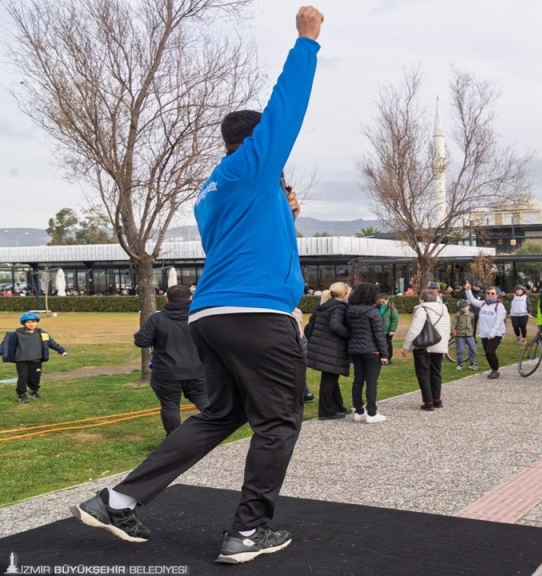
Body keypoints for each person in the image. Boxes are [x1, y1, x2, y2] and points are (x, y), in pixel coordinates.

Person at [70, 9, 324, 563]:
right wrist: (307, 42)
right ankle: (248, 532)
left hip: (212, 314)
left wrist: (285, 207)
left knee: (219, 414)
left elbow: (254, 242)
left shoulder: (216, 188)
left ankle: (116, 500)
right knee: (279, 420)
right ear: (258, 144)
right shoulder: (254, 166)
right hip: (256, 314)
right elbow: (288, 107)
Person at [133, 285, 210, 435]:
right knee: (203, 400)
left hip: (167, 372)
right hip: (195, 369)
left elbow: (141, 340)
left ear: (167, 299)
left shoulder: (157, 319)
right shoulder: (198, 317)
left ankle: (174, 438)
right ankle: (213, 430)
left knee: (170, 405)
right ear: (190, 298)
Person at [305, 282, 354, 420]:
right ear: (344, 294)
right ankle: (326, 411)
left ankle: (338, 406)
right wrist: (349, 334)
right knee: (329, 379)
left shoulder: (326, 305)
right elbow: (335, 325)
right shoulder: (338, 307)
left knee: (332, 377)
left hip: (324, 347)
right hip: (332, 348)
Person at [347, 282, 390, 421]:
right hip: (372, 350)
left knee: (358, 379)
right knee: (371, 382)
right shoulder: (373, 312)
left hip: (355, 349)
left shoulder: (350, 311)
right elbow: (379, 335)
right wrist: (384, 354)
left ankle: (359, 411)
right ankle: (371, 412)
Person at [2, 312, 68, 403]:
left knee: (35, 377)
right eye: (28, 322)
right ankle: (21, 394)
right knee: (23, 377)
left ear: (37, 322)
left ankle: (33, 392)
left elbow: (51, 343)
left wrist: (61, 350)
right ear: (24, 323)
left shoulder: (43, 334)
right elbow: (5, 346)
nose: (31, 324)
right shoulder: (16, 335)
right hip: (22, 361)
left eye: (33, 321)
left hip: (36, 360)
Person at [402, 288, 451, 409]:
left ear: (422, 299)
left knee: (423, 373)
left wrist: (406, 346)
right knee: (436, 371)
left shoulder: (422, 309)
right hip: (439, 343)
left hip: (424, 345)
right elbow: (446, 328)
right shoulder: (444, 310)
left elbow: (415, 329)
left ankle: (428, 401)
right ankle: (437, 399)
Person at [465, 282, 507, 379]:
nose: (490, 295)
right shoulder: (483, 304)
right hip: (484, 333)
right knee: (487, 353)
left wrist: (493, 333)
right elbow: (472, 300)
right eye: (488, 293)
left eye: (492, 293)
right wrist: (468, 290)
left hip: (496, 333)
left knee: (490, 351)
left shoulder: (499, 306)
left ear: (496, 295)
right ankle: (493, 368)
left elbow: (499, 321)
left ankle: (495, 370)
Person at [452, 300, 480, 371]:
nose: (464, 308)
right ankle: (459, 364)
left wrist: (471, 331)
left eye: (466, 307)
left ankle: (472, 363)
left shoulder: (471, 315)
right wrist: (453, 330)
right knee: (460, 350)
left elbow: (473, 324)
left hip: (469, 334)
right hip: (460, 335)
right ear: (460, 308)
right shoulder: (457, 315)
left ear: (469, 307)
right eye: (462, 307)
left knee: (473, 349)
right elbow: (453, 324)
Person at [377, 293, 399, 363]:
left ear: (387, 300)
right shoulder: (377, 307)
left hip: (388, 330)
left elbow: (394, 320)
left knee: (388, 344)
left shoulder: (392, 309)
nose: (381, 303)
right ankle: (380, 357)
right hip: (379, 330)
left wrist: (392, 330)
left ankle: (389, 358)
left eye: (383, 302)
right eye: (380, 302)